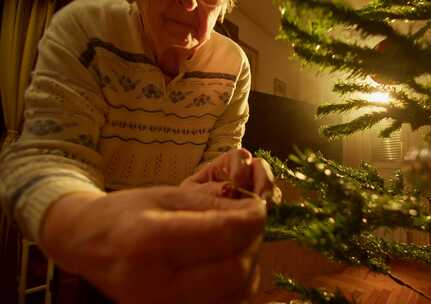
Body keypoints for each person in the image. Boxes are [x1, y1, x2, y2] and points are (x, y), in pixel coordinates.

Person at [0, 0, 276, 303]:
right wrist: (98, 228)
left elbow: (221, 153)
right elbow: (46, 154)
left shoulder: (234, 64)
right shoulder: (87, 27)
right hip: (94, 243)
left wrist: (228, 185)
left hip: (181, 246)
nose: (190, 3)